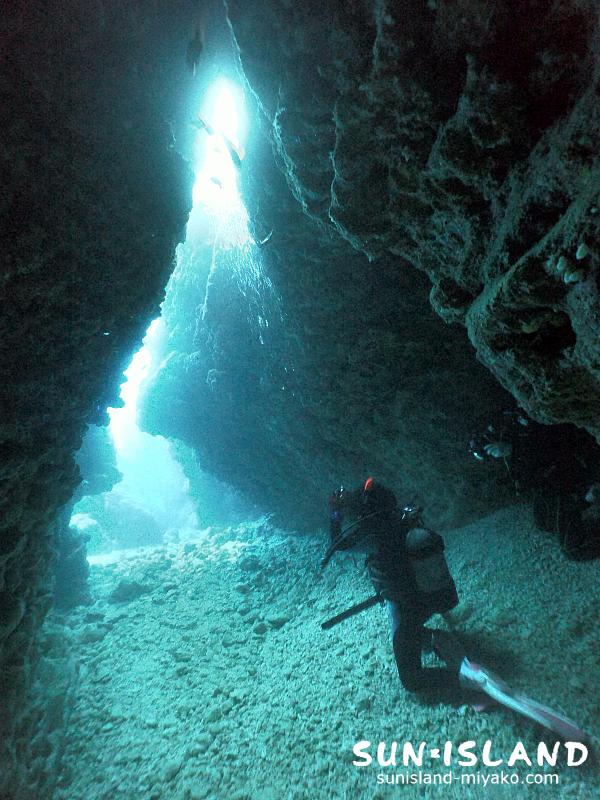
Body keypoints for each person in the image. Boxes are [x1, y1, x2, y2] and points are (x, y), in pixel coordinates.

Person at [325, 478, 469, 696]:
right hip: (431, 597)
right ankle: (430, 638)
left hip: (406, 606)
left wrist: (336, 513)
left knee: (411, 680)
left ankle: (467, 681)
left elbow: (338, 545)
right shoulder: (404, 518)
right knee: (408, 632)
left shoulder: (373, 536)